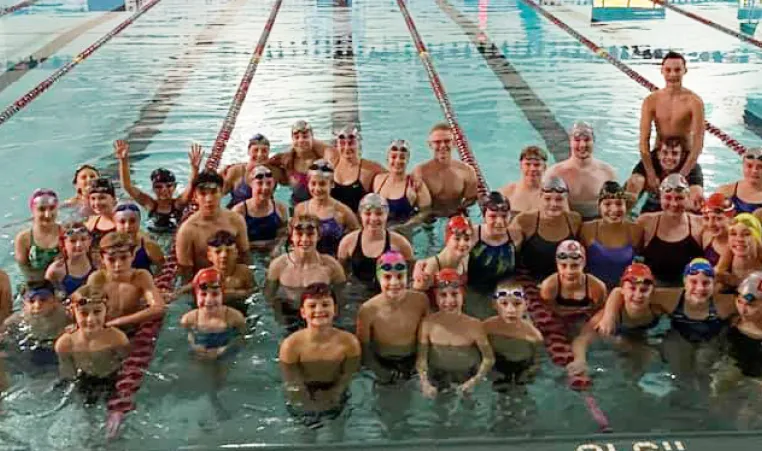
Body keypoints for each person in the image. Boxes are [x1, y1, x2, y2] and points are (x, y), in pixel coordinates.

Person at [278, 283, 361, 427]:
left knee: (337, 432)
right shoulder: (291, 346)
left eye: (325, 304)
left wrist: (334, 394)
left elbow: (348, 376)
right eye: (312, 306)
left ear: (335, 309)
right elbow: (292, 383)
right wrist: (307, 403)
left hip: (335, 389)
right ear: (303, 312)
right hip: (305, 390)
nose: (319, 310)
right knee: (307, 434)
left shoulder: (349, 343)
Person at [568, 263, 663, 378]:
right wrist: (580, 360)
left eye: (644, 290)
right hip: (616, 338)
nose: (638, 295)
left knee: (651, 358)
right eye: (632, 289)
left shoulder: (657, 309)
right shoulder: (610, 314)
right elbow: (582, 339)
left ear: (652, 292)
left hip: (640, 337)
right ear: (623, 290)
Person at [416, 268, 494, 398]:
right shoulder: (428, 324)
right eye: (443, 295)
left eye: (454, 294)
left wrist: (474, 381)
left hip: (467, 376)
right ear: (435, 296)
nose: (449, 301)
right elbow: (421, 359)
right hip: (438, 377)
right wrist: (424, 383)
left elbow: (489, 358)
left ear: (462, 294)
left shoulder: (474, 326)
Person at [356, 251, 429, 385]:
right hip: (383, 361)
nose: (394, 283)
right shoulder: (368, 310)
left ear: (407, 277)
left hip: (412, 360)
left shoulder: (421, 301)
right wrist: (379, 370)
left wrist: (421, 363)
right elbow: (364, 349)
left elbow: (427, 337)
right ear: (379, 279)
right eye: (387, 277)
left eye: (400, 276)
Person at [265, 215, 346, 334]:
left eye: (310, 234)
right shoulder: (278, 266)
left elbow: (341, 299)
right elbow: (268, 299)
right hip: (289, 315)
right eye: (299, 234)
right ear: (291, 236)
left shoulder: (331, 266)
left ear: (318, 236)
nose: (304, 239)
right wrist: (279, 320)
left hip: (321, 315)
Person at [54, 285, 130, 405]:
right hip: (84, 380)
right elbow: (68, 375)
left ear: (107, 310)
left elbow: (128, 367)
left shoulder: (116, 338)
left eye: (97, 311)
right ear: (72, 312)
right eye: (83, 313)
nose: (90, 319)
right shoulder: (65, 344)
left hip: (112, 378)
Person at [639, 51, 705, 188]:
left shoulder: (694, 102)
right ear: (662, 71)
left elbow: (698, 145)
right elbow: (643, 142)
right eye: (668, 70)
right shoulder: (651, 100)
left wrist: (681, 176)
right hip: (659, 155)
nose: (673, 74)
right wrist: (651, 173)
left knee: (695, 195)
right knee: (634, 183)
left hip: (684, 158)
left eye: (677, 70)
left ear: (685, 71)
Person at [85, 232, 166, 332]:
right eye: (111, 260)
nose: (118, 264)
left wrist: (117, 322)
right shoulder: (97, 278)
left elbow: (159, 308)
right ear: (102, 259)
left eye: (123, 258)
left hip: (131, 330)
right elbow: (85, 309)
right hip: (105, 330)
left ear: (133, 255)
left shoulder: (140, 276)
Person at [176, 170, 250, 279]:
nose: (209, 199)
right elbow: (186, 274)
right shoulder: (187, 231)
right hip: (205, 286)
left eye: (214, 192)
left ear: (222, 192)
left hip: (233, 281)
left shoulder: (236, 220)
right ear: (195, 197)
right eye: (203, 194)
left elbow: (245, 256)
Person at [115, 140, 201, 233]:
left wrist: (195, 169)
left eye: (169, 186)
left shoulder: (178, 204)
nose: (164, 190)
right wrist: (123, 161)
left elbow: (192, 185)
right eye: (159, 187)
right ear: (153, 189)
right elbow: (127, 186)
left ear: (175, 187)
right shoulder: (150, 204)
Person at [637, 174, 703, 285]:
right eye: (667, 198)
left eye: (679, 198)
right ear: (660, 198)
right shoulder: (645, 222)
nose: (674, 204)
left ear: (688, 198)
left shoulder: (700, 224)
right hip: (652, 290)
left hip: (690, 290)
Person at [337, 194, 413, 289]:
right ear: (360, 215)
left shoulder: (400, 244)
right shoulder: (347, 242)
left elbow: (409, 276)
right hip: (357, 294)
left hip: (389, 291)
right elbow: (340, 277)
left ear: (387, 215)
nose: (373, 218)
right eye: (368, 214)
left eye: (379, 213)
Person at [544, 122, 617, 220]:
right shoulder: (554, 173)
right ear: (570, 142)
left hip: (596, 227)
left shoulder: (607, 172)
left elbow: (614, 208)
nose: (582, 145)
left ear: (593, 141)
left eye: (587, 140)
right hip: (566, 227)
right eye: (577, 140)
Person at [514, 176, 582, 281]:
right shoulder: (525, 220)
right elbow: (508, 249)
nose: (553, 204)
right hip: (531, 283)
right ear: (540, 197)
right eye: (547, 198)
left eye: (559, 199)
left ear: (566, 199)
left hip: (564, 282)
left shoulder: (574, 220)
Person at [580, 181, 644, 288]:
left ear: (625, 206)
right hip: (593, 290)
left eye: (619, 204)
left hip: (623, 291)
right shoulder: (587, 229)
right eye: (607, 204)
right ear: (599, 207)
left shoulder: (635, 230)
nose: (614, 209)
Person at [482, 283, 543, 391]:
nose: (511, 310)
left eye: (517, 304)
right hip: (497, 362)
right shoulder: (487, 327)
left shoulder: (533, 336)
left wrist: (529, 372)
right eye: (504, 303)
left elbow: (537, 360)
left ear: (526, 305)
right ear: (494, 305)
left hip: (521, 365)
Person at [293, 159, 359, 256]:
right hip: (308, 259)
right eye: (313, 183)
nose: (317, 189)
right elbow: (294, 237)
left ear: (332, 184)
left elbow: (356, 237)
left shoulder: (342, 211)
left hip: (333, 262)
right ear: (308, 184)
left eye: (322, 184)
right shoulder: (301, 209)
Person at [412, 123, 478, 216]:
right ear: (430, 145)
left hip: (456, 215)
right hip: (429, 218)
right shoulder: (420, 172)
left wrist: (460, 210)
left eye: (447, 141)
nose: (442, 145)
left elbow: (471, 199)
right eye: (437, 142)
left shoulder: (467, 171)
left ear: (454, 143)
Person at [539, 240, 607, 331]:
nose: (569, 271)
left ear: (583, 263)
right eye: (563, 265)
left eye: (574, 266)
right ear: (557, 264)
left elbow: (600, 313)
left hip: (586, 324)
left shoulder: (597, 287)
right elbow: (548, 313)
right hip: (559, 324)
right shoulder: (549, 287)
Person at [711, 272, 762, 392]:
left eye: (751, 305)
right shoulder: (732, 321)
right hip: (734, 365)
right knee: (717, 389)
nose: (743, 310)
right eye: (739, 302)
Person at [1, 281, 71, 367]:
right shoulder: (17, 319)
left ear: (54, 301)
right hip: (31, 349)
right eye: (31, 301)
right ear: (24, 304)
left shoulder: (66, 314)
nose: (37, 305)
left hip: (57, 347)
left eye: (43, 300)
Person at [180, 268, 246, 360]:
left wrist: (224, 349)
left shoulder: (234, 317)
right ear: (196, 296)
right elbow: (185, 338)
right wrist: (194, 346)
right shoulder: (189, 319)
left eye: (215, 294)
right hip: (200, 355)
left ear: (222, 295)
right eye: (203, 294)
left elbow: (242, 339)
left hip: (227, 355)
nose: (208, 300)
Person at [626, 136, 704, 213]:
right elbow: (633, 182)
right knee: (634, 183)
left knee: (696, 199)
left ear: (682, 156)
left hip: (676, 206)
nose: (669, 157)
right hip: (654, 202)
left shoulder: (692, 167)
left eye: (675, 153)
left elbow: (697, 193)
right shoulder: (650, 161)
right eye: (665, 153)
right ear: (658, 154)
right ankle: (623, 215)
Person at [268, 120, 332, 207]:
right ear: (292, 140)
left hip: (321, 207)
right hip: (297, 208)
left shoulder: (323, 160)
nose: (301, 140)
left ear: (312, 138)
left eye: (305, 137)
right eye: (296, 137)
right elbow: (267, 164)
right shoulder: (288, 160)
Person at [468, 192, 522, 293]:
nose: (500, 221)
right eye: (493, 216)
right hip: (475, 291)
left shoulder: (515, 235)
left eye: (504, 216)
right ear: (484, 216)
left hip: (504, 291)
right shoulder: (473, 235)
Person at [372, 139, 432, 229]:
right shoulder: (378, 180)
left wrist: (404, 227)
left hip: (403, 234)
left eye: (402, 157)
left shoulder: (415, 185)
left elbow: (425, 213)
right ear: (387, 158)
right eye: (394, 157)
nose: (398, 161)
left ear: (407, 160)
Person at [230, 165, 288, 251]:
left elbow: (283, 234)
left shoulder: (281, 208)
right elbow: (233, 242)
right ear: (251, 185)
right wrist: (258, 246)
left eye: (269, 183)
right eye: (260, 183)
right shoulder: (239, 211)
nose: (265, 188)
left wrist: (277, 248)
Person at [329, 124, 386, 212]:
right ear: (337, 145)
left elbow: (392, 178)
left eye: (351, 143)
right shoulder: (331, 163)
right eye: (342, 143)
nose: (347, 147)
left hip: (358, 223)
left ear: (359, 144)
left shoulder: (369, 169)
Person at [221, 134, 284, 208]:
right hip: (238, 215)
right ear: (248, 151)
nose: (259, 154)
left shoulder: (275, 171)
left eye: (264, 151)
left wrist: (284, 159)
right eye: (255, 150)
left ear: (268, 152)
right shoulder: (236, 171)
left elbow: (293, 181)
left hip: (265, 214)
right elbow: (219, 194)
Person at [413, 215, 473, 292]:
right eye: (457, 238)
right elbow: (414, 299)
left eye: (467, 239)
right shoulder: (431, 268)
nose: (462, 243)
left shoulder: (465, 256)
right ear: (447, 240)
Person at [15, 189, 62, 279]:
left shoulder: (66, 234)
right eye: (41, 209)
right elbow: (24, 271)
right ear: (33, 211)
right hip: (35, 283)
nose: (47, 214)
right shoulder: (23, 239)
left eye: (52, 208)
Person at [45, 221, 97, 296]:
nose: (79, 245)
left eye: (83, 239)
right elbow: (49, 300)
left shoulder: (97, 262)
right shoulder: (56, 271)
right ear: (62, 243)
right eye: (73, 241)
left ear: (90, 241)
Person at [113, 202, 165, 273]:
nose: (127, 226)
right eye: (122, 222)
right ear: (115, 224)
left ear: (139, 221)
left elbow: (163, 269)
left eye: (132, 221)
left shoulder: (149, 245)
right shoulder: (109, 245)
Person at [715, 214, 762, 293]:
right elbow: (718, 272)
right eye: (733, 234)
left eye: (747, 234)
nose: (739, 239)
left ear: (757, 239)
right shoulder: (728, 250)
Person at [499, 146, 548, 213]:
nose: (532, 169)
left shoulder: (552, 195)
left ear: (545, 167)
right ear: (521, 166)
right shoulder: (507, 193)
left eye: (537, 165)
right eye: (527, 164)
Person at [716, 147, 762, 214]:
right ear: (743, 166)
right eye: (749, 166)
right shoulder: (725, 191)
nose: (754, 170)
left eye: (760, 167)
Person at [701, 193, 734, 266]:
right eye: (706, 218)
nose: (710, 224)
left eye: (718, 218)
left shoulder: (738, 244)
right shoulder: (706, 236)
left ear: (731, 219)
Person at [85, 178, 117, 249]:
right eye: (93, 198)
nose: (96, 203)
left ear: (114, 199)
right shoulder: (91, 222)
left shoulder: (122, 222)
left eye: (102, 198)